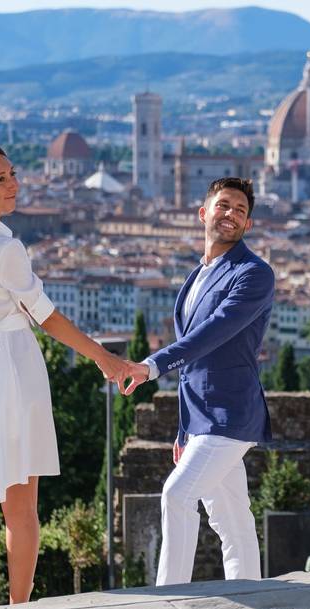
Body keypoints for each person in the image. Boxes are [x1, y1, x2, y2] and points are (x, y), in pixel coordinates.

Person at [0, 143, 131, 607]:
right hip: (10, 372)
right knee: (21, 508)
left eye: (13, 173)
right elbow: (47, 316)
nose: (14, 183)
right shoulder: (4, 247)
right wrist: (102, 357)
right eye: (1, 179)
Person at [124, 177, 274, 586]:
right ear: (204, 212)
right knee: (231, 519)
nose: (231, 215)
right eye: (223, 205)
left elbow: (213, 333)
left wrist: (151, 365)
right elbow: (195, 364)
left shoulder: (254, 274)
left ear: (248, 225)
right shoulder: (197, 276)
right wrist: (184, 428)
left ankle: (171, 596)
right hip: (202, 418)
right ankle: (253, 599)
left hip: (230, 413)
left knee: (177, 495)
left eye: (240, 211)